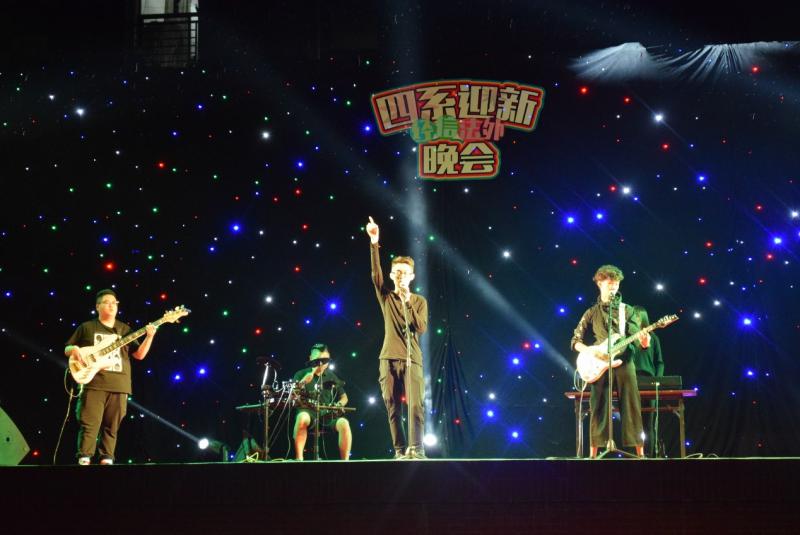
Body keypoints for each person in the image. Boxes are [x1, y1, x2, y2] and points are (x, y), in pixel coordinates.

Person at [65, 289, 156, 465]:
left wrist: (149, 337)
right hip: (93, 383)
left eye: (114, 303)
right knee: (89, 425)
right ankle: (84, 459)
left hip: (119, 385)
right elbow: (67, 348)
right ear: (97, 306)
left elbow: (139, 355)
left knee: (112, 427)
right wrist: (74, 350)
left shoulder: (125, 329)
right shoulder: (87, 327)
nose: (112, 305)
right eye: (107, 302)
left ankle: (107, 460)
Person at [366, 216, 429, 460]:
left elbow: (420, 327)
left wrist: (407, 301)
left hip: (413, 359)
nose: (401, 276)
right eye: (397, 272)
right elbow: (375, 274)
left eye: (405, 273)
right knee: (393, 406)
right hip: (388, 358)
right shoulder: (386, 297)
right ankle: (400, 450)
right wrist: (374, 242)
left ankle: (417, 449)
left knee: (416, 406)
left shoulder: (419, 301)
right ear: (392, 275)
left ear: (412, 276)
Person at [571, 265, 649, 458]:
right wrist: (590, 351)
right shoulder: (591, 312)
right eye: (609, 284)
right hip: (599, 363)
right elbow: (575, 341)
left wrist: (643, 342)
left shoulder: (628, 310)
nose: (613, 288)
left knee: (631, 405)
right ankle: (593, 454)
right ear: (599, 284)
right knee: (598, 405)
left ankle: (640, 454)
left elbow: (633, 337)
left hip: (624, 361)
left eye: (616, 284)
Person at [292, 343, 352, 460]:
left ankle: (345, 463)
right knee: (302, 417)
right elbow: (293, 395)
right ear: (310, 358)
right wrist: (304, 381)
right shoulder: (300, 374)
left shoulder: (331, 376)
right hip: (307, 412)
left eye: (324, 360)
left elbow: (344, 397)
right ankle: (299, 459)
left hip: (326, 415)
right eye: (318, 359)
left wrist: (338, 405)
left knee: (344, 423)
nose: (321, 363)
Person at [630, 306, 665, 457]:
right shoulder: (628, 339)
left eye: (637, 316)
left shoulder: (653, 338)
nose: (635, 319)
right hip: (631, 381)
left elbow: (660, 362)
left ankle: (650, 456)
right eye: (633, 316)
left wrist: (658, 380)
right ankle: (635, 455)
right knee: (632, 422)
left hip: (649, 382)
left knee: (649, 422)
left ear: (643, 318)